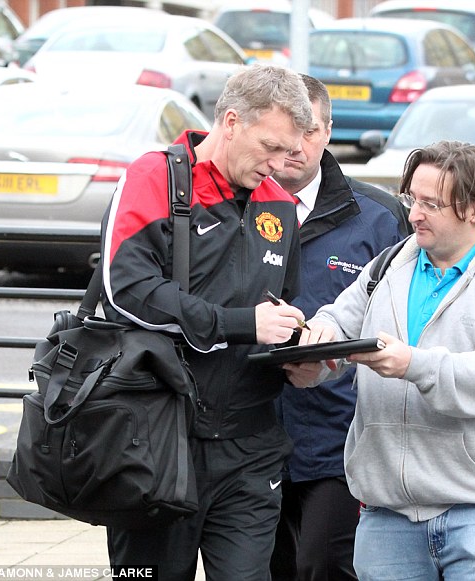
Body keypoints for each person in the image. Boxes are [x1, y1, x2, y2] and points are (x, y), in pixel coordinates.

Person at [285, 141, 475, 580]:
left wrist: (415, 364)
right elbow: (339, 316)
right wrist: (317, 347)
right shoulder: (388, 265)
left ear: (472, 209)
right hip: (385, 516)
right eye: (412, 198)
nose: (413, 214)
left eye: (430, 203)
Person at [102, 64, 314, 581]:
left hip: (250, 448)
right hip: (156, 442)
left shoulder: (280, 206)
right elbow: (125, 292)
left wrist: (303, 355)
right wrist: (241, 324)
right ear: (232, 121)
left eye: (288, 152)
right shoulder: (156, 175)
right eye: (270, 146)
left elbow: (277, 312)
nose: (279, 164)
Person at [270, 75, 412, 581]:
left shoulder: (378, 218)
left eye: (307, 129)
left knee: (325, 566)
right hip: (250, 437)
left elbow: (407, 324)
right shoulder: (229, 212)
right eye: (283, 130)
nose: (293, 144)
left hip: (340, 438)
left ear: (328, 131)